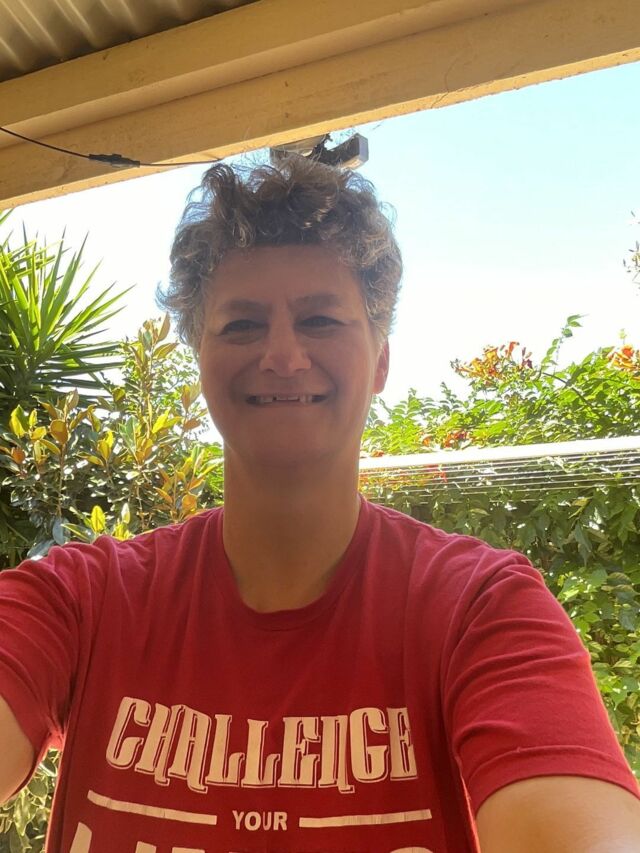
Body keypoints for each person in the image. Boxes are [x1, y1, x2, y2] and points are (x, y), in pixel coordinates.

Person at [0, 156, 639, 853]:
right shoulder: (82, 601)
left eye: (321, 319)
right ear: (200, 360)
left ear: (381, 360)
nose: (282, 354)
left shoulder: (482, 609)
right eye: (241, 325)